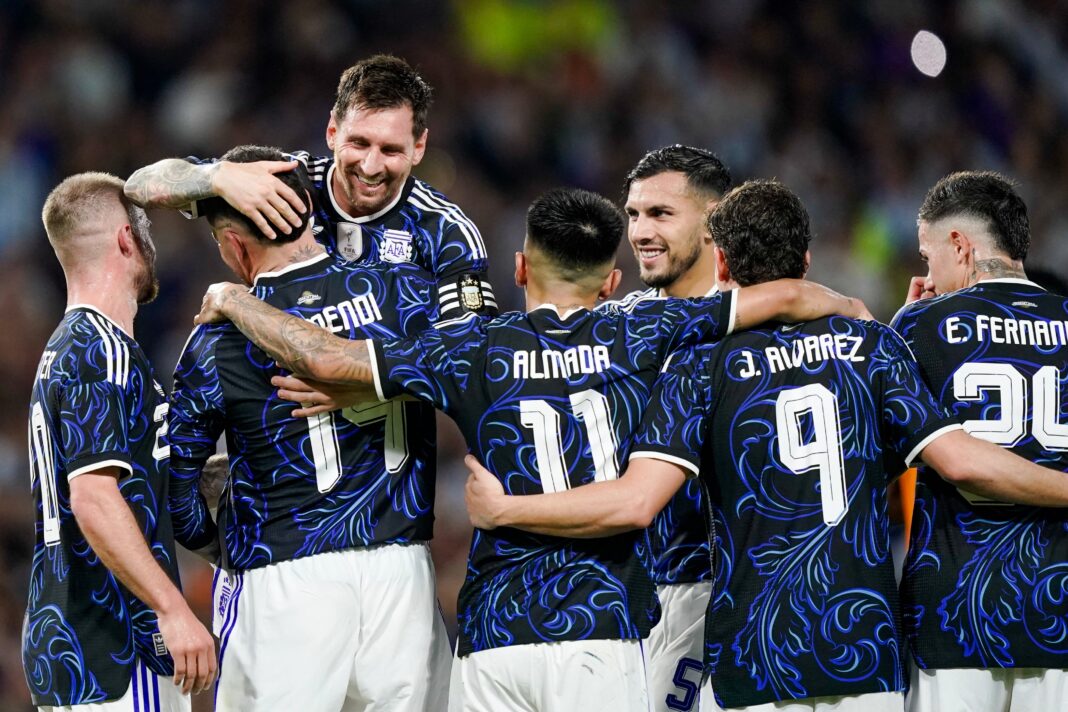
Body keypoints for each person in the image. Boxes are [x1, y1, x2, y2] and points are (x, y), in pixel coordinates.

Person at [194, 186, 871, 711]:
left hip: (496, 638)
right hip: (601, 628)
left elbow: (323, 356)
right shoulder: (649, 328)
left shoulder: (473, 348)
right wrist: (848, 307)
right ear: (611, 283)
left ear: (519, 267)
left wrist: (234, 298)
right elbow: (781, 296)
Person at [461, 180, 1068, 712]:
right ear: (806, 260)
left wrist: (509, 510)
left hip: (757, 646)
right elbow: (915, 459)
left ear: (720, 265)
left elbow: (635, 502)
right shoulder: (875, 350)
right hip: (865, 644)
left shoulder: (697, 369)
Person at [165, 145, 449, 711]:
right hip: (404, 578)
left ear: (232, 246)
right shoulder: (406, 294)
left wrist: (219, 545)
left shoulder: (218, 338)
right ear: (313, 213)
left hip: (284, 583)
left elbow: (180, 495)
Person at [23, 173, 215, 710]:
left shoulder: (66, 348)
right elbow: (94, 497)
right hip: (113, 643)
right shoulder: (101, 350)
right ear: (127, 238)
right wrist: (172, 608)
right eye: (146, 227)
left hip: (69, 640)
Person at [124, 54, 496, 319]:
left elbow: (468, 358)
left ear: (420, 147)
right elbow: (139, 186)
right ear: (332, 131)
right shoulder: (284, 180)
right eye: (359, 143)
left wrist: (354, 372)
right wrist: (216, 176)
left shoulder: (445, 231)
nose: (370, 166)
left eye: (391, 150)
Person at [892, 171, 1068, 712]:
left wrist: (899, 325)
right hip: (1060, 602)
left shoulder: (921, 328)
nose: (929, 276)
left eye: (928, 258)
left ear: (960, 246)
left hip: (956, 606)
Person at [613, 144, 732, 711]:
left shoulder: (759, 327)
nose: (640, 231)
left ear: (714, 222)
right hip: (622, 590)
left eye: (660, 214)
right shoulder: (615, 324)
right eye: (634, 214)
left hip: (714, 590)